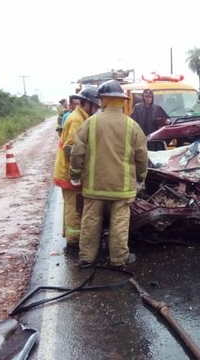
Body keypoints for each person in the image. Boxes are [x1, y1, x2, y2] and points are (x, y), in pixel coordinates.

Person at [70, 80, 148, 268]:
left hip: (94, 187)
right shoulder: (132, 125)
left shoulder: (90, 123)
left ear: (103, 100)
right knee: (119, 224)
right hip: (121, 188)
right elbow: (141, 156)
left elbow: (77, 152)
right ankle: (118, 259)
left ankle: (87, 258)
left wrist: (75, 175)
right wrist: (141, 177)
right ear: (122, 101)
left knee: (90, 222)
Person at [52, 87, 101, 248]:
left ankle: (71, 235)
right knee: (74, 207)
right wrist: (84, 163)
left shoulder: (82, 117)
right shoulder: (77, 120)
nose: (96, 109)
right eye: (95, 105)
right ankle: (74, 241)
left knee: (72, 206)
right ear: (87, 103)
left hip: (70, 170)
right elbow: (70, 147)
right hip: (69, 171)